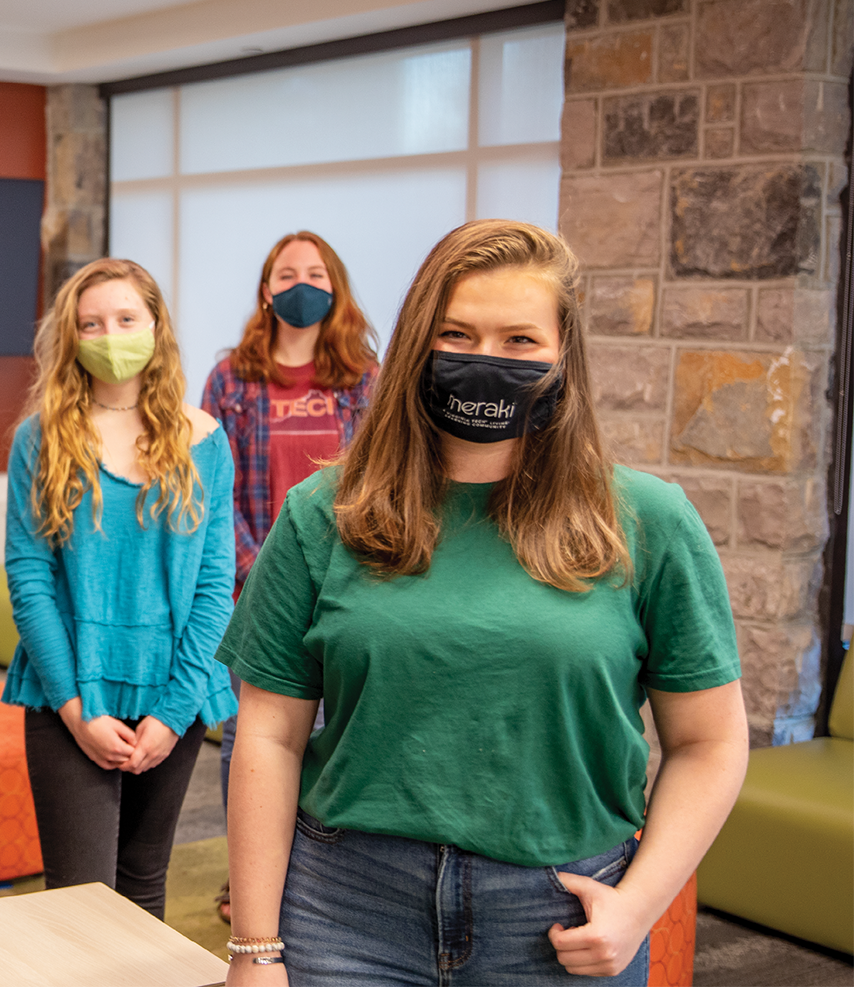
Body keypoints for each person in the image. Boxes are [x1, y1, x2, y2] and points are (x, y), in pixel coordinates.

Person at [218, 220, 747, 985]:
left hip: (559, 913)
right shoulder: (322, 514)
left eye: (520, 341)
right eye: (457, 333)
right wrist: (255, 950)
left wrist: (641, 905)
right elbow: (267, 732)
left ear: (565, 354)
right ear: (414, 348)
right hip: (345, 907)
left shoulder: (648, 521)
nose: (485, 360)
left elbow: (710, 741)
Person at [3, 257, 238, 918]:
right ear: (71, 338)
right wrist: (76, 710)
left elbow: (216, 587)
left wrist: (173, 712)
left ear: (157, 326)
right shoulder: (40, 438)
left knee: (143, 883)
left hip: (175, 693)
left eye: (126, 319)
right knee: (82, 900)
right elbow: (29, 579)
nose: (110, 335)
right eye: (91, 323)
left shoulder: (206, 441)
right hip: (70, 691)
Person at [200, 231, 378, 924]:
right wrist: (262, 569)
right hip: (257, 589)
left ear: (334, 286)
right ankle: (244, 878)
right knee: (254, 735)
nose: (300, 282)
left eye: (314, 271)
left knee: (333, 730)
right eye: (286, 272)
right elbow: (212, 490)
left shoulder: (365, 376)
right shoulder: (230, 378)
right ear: (266, 290)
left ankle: (318, 871)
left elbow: (380, 480)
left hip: (346, 584)